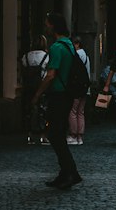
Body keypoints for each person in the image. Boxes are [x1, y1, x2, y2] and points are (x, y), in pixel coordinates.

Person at [32, 11, 82, 190]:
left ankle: (70, 172)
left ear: (53, 26)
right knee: (58, 133)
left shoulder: (56, 47)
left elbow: (51, 74)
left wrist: (38, 93)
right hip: (67, 93)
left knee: (55, 135)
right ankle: (66, 173)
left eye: (47, 23)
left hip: (58, 95)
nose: (46, 26)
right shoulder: (68, 44)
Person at [21, 36, 49, 144]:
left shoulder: (26, 56)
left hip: (28, 87)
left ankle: (29, 135)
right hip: (41, 86)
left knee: (29, 111)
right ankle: (43, 135)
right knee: (43, 111)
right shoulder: (46, 56)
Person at [68, 35, 90, 146]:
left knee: (73, 111)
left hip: (77, 87)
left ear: (76, 44)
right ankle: (80, 136)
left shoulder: (77, 55)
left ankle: (73, 135)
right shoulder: (85, 55)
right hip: (85, 87)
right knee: (80, 112)